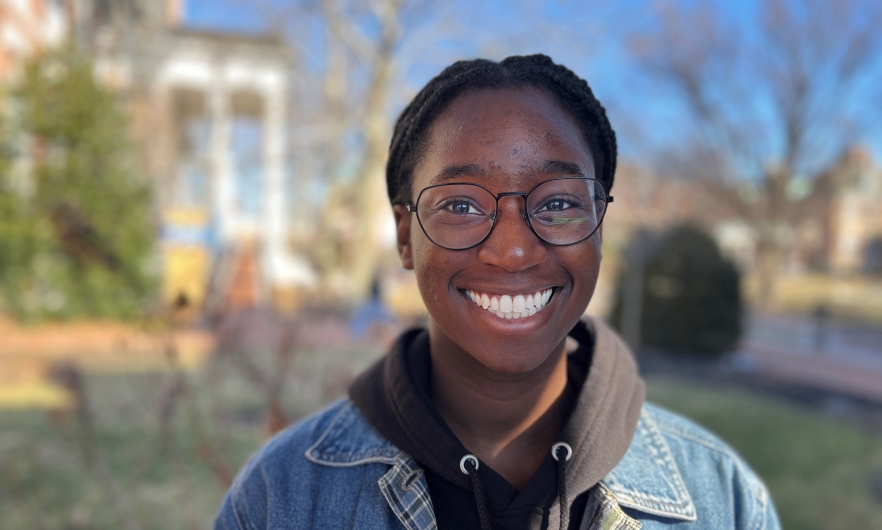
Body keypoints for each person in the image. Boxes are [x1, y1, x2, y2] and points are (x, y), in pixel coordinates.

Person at [214, 54, 780, 530]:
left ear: (599, 229)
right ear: (405, 237)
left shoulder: (724, 499)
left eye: (558, 202)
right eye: (460, 204)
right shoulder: (280, 497)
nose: (512, 250)